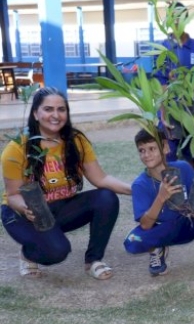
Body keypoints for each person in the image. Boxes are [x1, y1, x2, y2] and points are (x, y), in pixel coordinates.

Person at [1, 87, 131, 279]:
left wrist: (134, 189)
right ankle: (28, 254)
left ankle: (94, 260)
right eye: (48, 109)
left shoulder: (76, 141)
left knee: (106, 197)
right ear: (36, 113)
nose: (55, 115)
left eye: (61, 109)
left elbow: (100, 179)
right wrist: (26, 208)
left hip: (59, 208)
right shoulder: (18, 147)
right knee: (57, 252)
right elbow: (13, 196)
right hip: (22, 214)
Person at [124, 129, 194, 280]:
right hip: (165, 230)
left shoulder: (182, 168)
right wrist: (161, 197)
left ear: (165, 147)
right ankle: (157, 250)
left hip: (189, 223)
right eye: (141, 151)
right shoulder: (140, 184)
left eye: (152, 148)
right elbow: (145, 225)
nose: (146, 155)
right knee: (132, 241)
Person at [154, 2, 194, 165]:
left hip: (193, 110)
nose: (176, 20)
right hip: (171, 110)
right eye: (172, 16)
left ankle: (193, 189)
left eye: (180, 15)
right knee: (169, 155)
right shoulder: (162, 48)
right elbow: (160, 83)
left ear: (186, 18)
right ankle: (172, 190)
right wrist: (163, 115)